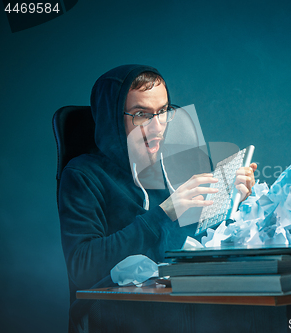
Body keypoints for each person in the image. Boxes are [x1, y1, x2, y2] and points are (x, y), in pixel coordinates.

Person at [58, 64, 257, 332]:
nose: (157, 128)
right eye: (141, 115)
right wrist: (165, 213)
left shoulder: (182, 163)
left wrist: (232, 202)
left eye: (163, 112)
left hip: (184, 304)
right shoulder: (83, 175)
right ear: (112, 119)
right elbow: (83, 268)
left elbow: (202, 243)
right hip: (119, 315)